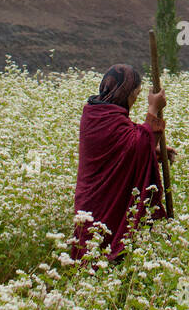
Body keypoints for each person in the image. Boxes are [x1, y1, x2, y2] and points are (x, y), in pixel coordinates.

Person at [70, 63, 176, 261]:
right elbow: (134, 145)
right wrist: (153, 108)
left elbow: (125, 148)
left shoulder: (95, 114)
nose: (135, 99)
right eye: (135, 94)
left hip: (92, 200)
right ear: (125, 93)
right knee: (97, 253)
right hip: (99, 202)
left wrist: (153, 152)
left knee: (95, 255)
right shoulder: (103, 119)